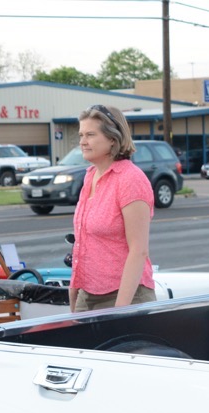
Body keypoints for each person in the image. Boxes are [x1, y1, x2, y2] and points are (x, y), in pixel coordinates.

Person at [69, 103, 156, 311]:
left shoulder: (130, 180)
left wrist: (120, 311)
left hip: (125, 297)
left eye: (90, 135)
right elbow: (82, 243)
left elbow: (139, 250)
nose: (83, 142)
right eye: (81, 135)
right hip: (86, 295)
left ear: (112, 138)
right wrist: (74, 293)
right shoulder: (90, 176)